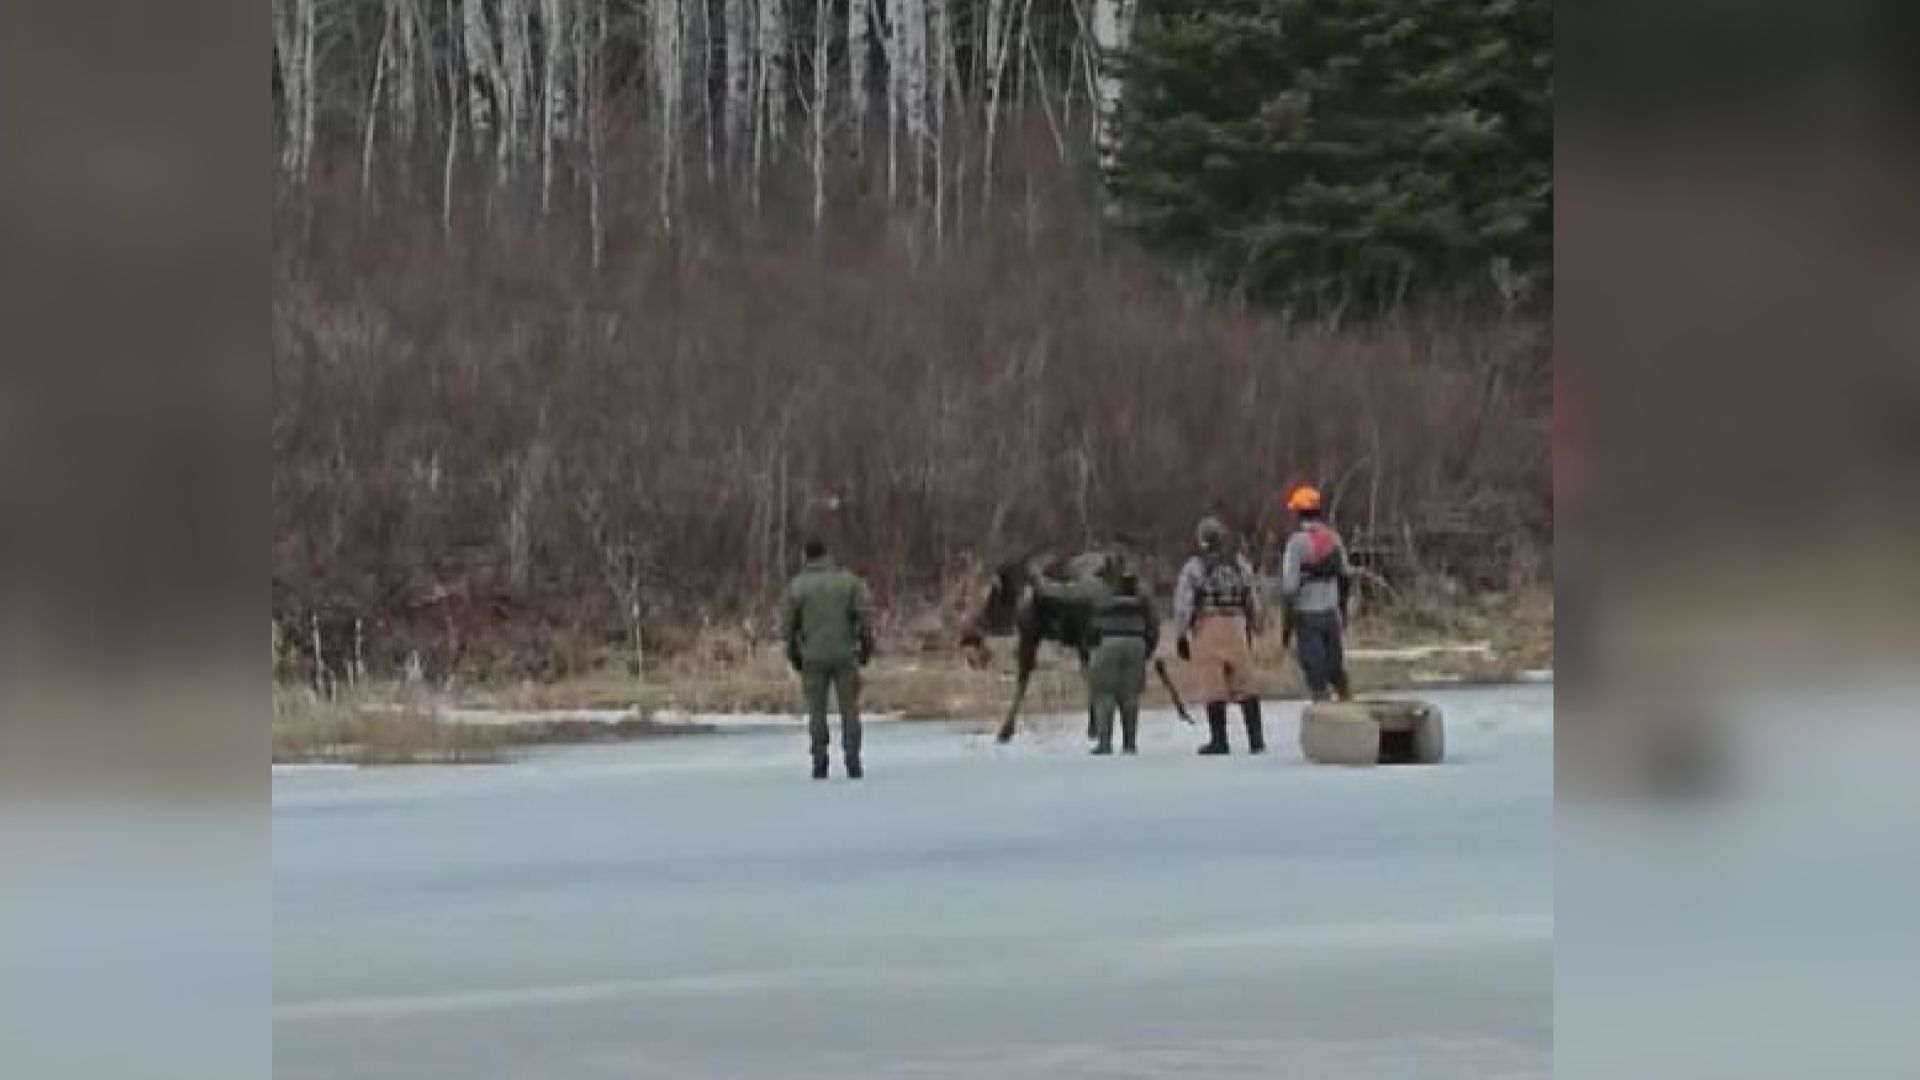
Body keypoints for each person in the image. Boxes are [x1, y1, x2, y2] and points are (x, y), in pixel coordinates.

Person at [782, 538, 876, 780]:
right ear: (827, 555)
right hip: (845, 654)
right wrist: (866, 649)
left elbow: (787, 628)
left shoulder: (797, 587)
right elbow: (865, 618)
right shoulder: (848, 582)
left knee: (816, 712)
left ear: (805, 556)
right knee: (850, 710)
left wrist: (795, 656)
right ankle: (853, 759)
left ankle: (820, 760)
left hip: (812, 657)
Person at [1173, 517, 1265, 755]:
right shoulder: (1239, 564)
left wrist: (1181, 634)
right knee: (1245, 682)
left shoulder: (1194, 566)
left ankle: (1219, 740)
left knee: (1212, 682)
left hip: (1208, 624)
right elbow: (1251, 595)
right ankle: (1256, 739)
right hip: (1236, 623)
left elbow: (1184, 602)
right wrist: (1255, 623)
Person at [1280, 485, 1353, 702]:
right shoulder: (1334, 539)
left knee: (1316, 676)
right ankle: (1349, 711)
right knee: (1336, 670)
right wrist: (1343, 611)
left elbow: (1290, 589)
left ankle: (1324, 721)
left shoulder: (1296, 544)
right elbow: (1345, 576)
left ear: (1297, 513)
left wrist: (1286, 627)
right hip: (1331, 613)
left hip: (1307, 616)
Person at [1083, 567, 1158, 755]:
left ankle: (1104, 742)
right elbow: (1153, 621)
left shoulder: (1096, 594)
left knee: (1104, 695)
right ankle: (1130, 742)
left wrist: (1088, 646)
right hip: (1136, 642)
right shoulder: (1141, 595)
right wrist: (1149, 645)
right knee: (1130, 696)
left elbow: (1084, 622)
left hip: (1106, 642)